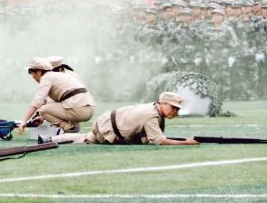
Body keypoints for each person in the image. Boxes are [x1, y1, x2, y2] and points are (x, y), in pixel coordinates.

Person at [43, 92, 199, 146]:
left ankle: (51, 139)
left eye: (177, 109)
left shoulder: (153, 108)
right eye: (173, 107)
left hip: (106, 123)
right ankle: (52, 139)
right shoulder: (152, 114)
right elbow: (159, 141)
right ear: (162, 103)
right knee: (86, 139)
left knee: (85, 138)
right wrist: (187, 142)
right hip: (107, 129)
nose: (175, 111)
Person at [18, 57, 95, 135]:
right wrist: (42, 117)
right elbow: (53, 104)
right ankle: (75, 131)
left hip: (79, 109)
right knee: (61, 105)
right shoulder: (60, 75)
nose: (32, 76)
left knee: (43, 110)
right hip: (89, 108)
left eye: (31, 73)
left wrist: (24, 121)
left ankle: (70, 128)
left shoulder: (46, 77)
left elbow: (38, 101)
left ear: (39, 72)